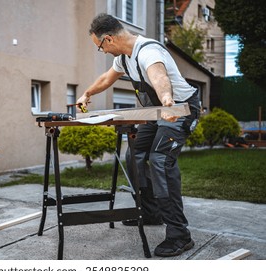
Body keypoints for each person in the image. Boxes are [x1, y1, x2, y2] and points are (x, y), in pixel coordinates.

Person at [76, 13, 200, 257]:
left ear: (109, 40)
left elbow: (159, 77)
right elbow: (106, 78)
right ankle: (151, 212)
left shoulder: (148, 52)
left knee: (160, 162)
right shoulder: (124, 58)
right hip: (155, 112)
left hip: (178, 109)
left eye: (100, 47)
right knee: (134, 154)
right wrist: (87, 94)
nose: (101, 51)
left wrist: (167, 101)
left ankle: (180, 235)